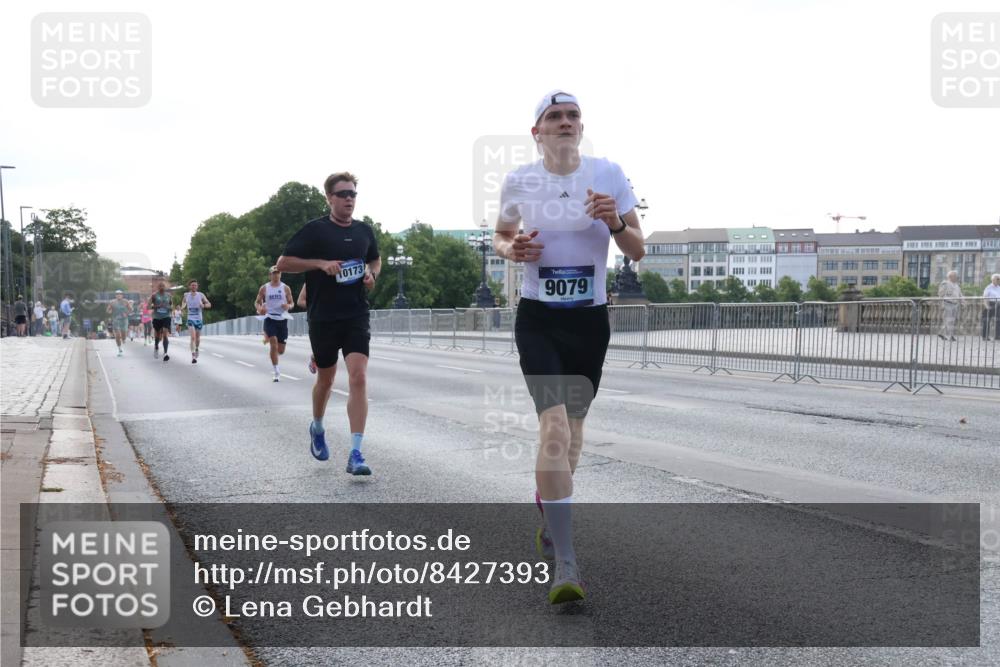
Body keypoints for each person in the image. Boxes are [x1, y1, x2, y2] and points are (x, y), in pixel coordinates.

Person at [493, 91, 645, 604]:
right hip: (538, 319)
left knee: (573, 436)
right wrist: (513, 250)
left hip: (589, 322)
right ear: (537, 132)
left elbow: (637, 249)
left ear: (582, 127)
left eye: (572, 115)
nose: (564, 122)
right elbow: (501, 236)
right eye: (553, 117)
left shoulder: (608, 175)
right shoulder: (519, 181)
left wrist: (615, 222)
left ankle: (546, 503)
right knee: (553, 427)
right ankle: (566, 563)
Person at [276, 171, 380, 475]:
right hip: (323, 316)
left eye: (353, 194)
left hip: (356, 313)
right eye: (343, 194)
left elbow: (375, 259)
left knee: (358, 377)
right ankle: (318, 427)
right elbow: (284, 263)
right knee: (326, 380)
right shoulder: (315, 231)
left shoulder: (364, 231)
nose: (349, 199)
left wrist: (372, 274)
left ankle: (356, 453)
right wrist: (319, 264)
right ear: (329, 198)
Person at [255, 266, 294, 381]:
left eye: (278, 273)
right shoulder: (264, 288)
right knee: (274, 343)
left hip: (282, 319)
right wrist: (259, 309)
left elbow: (292, 303)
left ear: (280, 274)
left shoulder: (285, 288)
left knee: (280, 350)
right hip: (270, 318)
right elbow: (257, 302)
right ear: (270, 275)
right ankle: (276, 372)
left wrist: (288, 306)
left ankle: (270, 344)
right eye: (274, 273)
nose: (276, 275)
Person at [182, 279, 212, 363]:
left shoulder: (201, 295)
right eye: (192, 285)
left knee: (198, 339)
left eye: (195, 285)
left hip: (198, 319)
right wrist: (182, 307)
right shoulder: (186, 295)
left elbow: (209, 304)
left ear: (197, 286)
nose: (194, 286)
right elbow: (183, 302)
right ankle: (193, 355)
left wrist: (203, 305)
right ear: (189, 286)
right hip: (190, 318)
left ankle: (197, 348)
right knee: (193, 337)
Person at [150, 283, 173, 361]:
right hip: (157, 317)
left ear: (165, 287)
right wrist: (157, 306)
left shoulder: (169, 295)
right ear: (158, 287)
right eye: (160, 286)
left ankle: (165, 353)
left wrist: (169, 308)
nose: (162, 287)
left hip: (166, 316)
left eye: (163, 286)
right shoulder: (154, 295)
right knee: (157, 335)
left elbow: (171, 306)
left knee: (165, 333)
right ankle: (156, 346)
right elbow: (149, 306)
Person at [297, 283, 317, 374]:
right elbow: (300, 301)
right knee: (324, 354)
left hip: (338, 320)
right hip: (318, 320)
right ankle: (315, 358)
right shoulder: (312, 279)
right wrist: (318, 307)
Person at [937, 270, 963, 342]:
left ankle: (942, 333)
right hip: (947, 303)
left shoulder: (956, 285)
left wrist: (963, 301)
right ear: (950, 277)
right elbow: (940, 294)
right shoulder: (945, 283)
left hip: (955, 304)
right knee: (949, 320)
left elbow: (960, 294)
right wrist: (941, 303)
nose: (956, 277)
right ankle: (949, 336)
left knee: (952, 321)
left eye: (956, 276)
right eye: (955, 276)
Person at [106, 290, 132, 356]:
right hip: (116, 320)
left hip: (124, 320)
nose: (118, 295)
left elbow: (131, 309)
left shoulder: (126, 301)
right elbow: (108, 310)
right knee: (117, 335)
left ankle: (123, 339)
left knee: (123, 334)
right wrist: (110, 311)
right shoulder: (112, 302)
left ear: (122, 295)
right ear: (115, 295)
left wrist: (126, 313)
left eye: (120, 294)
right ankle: (119, 349)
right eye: (117, 294)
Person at [982, 273, 1000, 341]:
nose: (998, 280)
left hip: (998, 304)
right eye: (997, 279)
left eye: (999, 279)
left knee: (998, 320)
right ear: (993, 279)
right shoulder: (988, 287)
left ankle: (997, 335)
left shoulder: (999, 287)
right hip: (990, 304)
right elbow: (985, 297)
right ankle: (985, 336)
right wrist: (986, 306)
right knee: (986, 320)